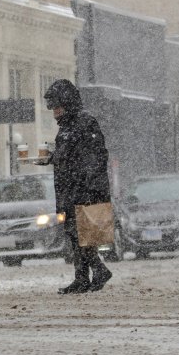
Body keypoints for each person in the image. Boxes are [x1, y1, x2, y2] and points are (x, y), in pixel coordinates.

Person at [43, 79, 113, 294]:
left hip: (82, 189)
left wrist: (87, 184)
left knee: (80, 233)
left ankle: (92, 273)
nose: (53, 111)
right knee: (76, 234)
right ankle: (86, 275)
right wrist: (52, 157)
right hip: (70, 188)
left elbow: (93, 156)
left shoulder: (83, 122)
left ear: (66, 104)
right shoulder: (69, 125)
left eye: (56, 106)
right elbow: (70, 155)